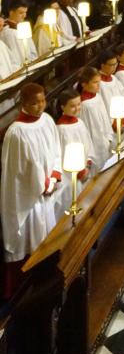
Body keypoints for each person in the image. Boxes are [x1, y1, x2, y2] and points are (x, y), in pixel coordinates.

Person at [1, 84, 62, 282]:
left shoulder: (47, 120)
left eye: (43, 100)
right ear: (24, 104)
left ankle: (47, 269)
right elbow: (18, 170)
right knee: (32, 235)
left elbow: (55, 149)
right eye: (35, 103)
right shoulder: (16, 132)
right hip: (29, 196)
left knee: (48, 234)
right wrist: (43, 184)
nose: (40, 106)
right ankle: (30, 277)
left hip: (47, 187)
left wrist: (53, 175)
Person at [76, 67, 112, 170]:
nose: (99, 85)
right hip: (96, 147)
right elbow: (89, 130)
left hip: (105, 141)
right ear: (84, 84)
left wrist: (108, 137)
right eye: (95, 82)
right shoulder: (84, 105)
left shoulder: (97, 96)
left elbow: (105, 119)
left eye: (99, 82)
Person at [56, 89, 94, 185]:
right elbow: (65, 154)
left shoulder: (79, 122)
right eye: (72, 106)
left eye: (79, 104)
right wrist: (80, 173)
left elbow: (87, 143)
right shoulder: (62, 129)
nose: (77, 108)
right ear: (62, 107)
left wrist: (88, 162)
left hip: (85, 169)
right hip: (72, 176)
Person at [1, 0, 37, 69]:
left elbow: (32, 50)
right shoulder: (8, 32)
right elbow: (16, 58)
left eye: (25, 12)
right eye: (21, 13)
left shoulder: (22, 26)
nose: (24, 16)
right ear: (11, 12)